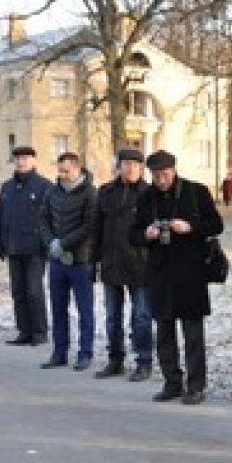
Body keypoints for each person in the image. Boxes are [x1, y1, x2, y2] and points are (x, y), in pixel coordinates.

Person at [130, 150, 224, 405]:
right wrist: (146, 234)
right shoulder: (146, 197)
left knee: (193, 333)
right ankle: (172, 382)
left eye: (165, 174)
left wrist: (190, 227)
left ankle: (195, 385)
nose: (161, 179)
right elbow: (133, 234)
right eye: (156, 175)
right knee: (164, 332)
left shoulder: (196, 192)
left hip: (191, 272)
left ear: (174, 170)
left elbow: (216, 225)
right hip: (159, 272)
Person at [92, 148, 153, 380]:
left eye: (136, 165)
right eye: (126, 164)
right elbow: (96, 228)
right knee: (112, 317)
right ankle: (115, 360)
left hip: (140, 265)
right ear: (119, 166)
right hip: (111, 263)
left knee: (141, 316)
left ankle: (144, 361)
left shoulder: (149, 194)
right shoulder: (106, 192)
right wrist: (94, 261)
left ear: (141, 168)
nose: (130, 169)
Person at [38, 152, 99, 371]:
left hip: (80, 259)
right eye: (60, 170)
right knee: (58, 307)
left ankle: (85, 353)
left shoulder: (90, 193)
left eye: (66, 171)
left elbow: (89, 226)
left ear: (78, 169)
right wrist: (51, 242)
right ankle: (59, 351)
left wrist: (65, 243)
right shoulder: (52, 191)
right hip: (56, 259)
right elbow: (42, 219)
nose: (62, 175)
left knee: (85, 309)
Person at [0, 145, 52, 346]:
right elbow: (0, 217)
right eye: (18, 158)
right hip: (14, 247)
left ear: (34, 161)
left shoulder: (44, 186)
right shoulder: (7, 187)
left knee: (34, 291)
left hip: (36, 249)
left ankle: (40, 332)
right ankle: (24, 331)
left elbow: (50, 218)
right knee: (18, 291)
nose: (21, 161)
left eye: (25, 158)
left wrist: (47, 243)